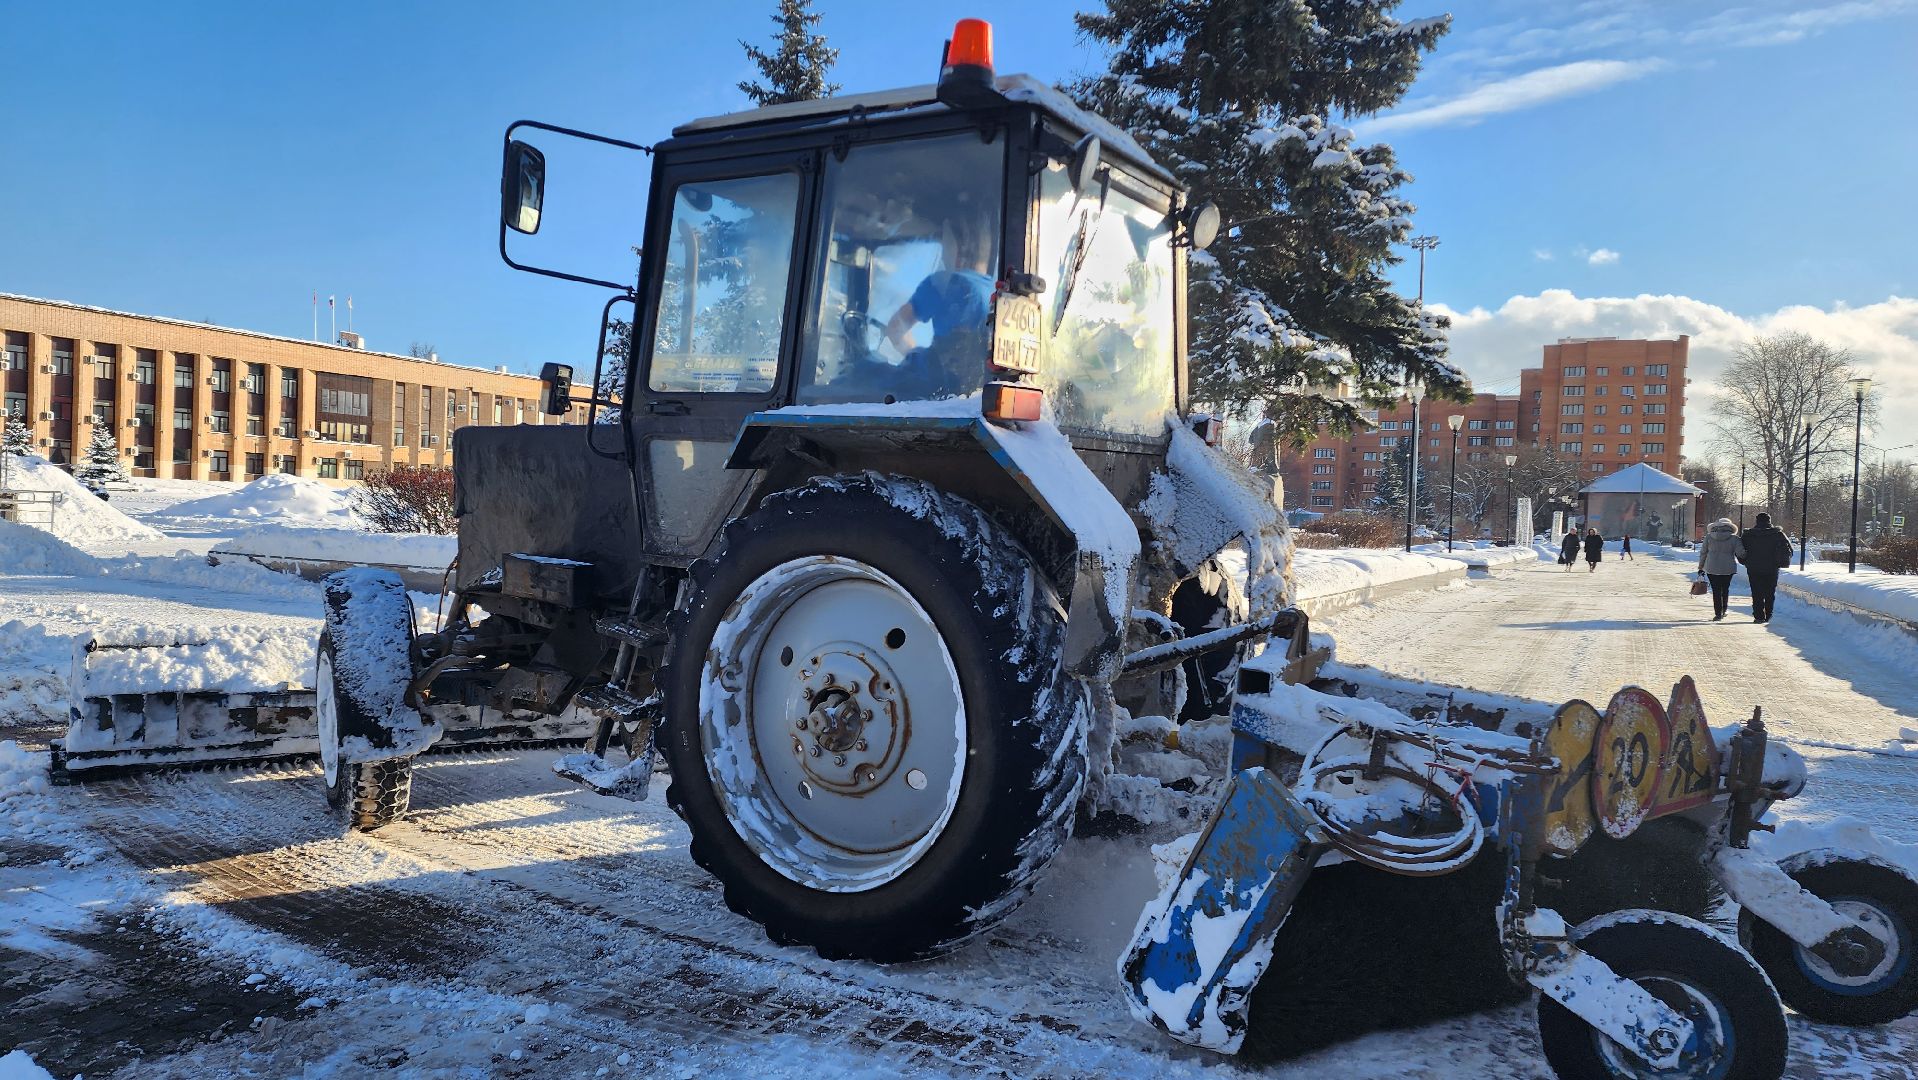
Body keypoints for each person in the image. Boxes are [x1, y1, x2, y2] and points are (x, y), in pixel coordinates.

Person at [883, 210, 995, 396]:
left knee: (865, 374)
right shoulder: (993, 291)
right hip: (973, 397)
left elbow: (895, 328)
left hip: (938, 394)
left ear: (960, 244)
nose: (942, 250)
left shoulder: (944, 284)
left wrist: (914, 357)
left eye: (944, 240)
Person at [1739, 512, 1794, 624]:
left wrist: (1745, 562)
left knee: (1756, 592)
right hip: (1772, 568)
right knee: (1770, 592)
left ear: (1757, 520)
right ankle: (1768, 614)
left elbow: (1740, 551)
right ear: (1769, 520)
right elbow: (1789, 550)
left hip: (1753, 568)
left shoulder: (1748, 535)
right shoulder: (1778, 534)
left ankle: (1759, 616)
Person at [1696, 517, 1746, 622]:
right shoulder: (1735, 539)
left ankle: (1717, 614)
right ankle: (1724, 609)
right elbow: (1741, 553)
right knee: (1725, 588)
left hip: (1711, 567)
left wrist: (1701, 567)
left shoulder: (1709, 537)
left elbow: (1703, 553)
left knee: (1716, 590)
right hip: (1728, 568)